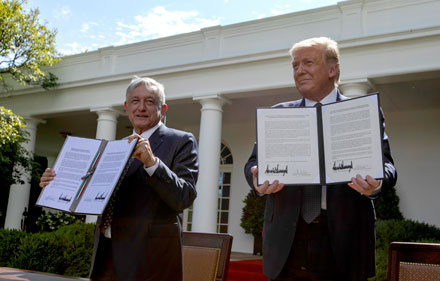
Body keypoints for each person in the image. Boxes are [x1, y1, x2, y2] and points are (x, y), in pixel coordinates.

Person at [244, 37, 397, 281]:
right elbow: (253, 164)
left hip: (344, 242)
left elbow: (387, 166)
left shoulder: (361, 112)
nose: (299, 70)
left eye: (308, 63)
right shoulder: (278, 115)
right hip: (287, 242)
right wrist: (257, 179)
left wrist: (375, 184)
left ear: (332, 69)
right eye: (295, 65)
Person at [40, 77, 199, 281]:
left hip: (150, 260)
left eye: (149, 101)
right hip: (105, 253)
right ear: (126, 107)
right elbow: (88, 194)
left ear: (163, 109)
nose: (141, 107)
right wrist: (56, 183)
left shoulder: (181, 141)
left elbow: (184, 197)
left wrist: (152, 163)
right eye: (135, 101)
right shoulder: (113, 148)